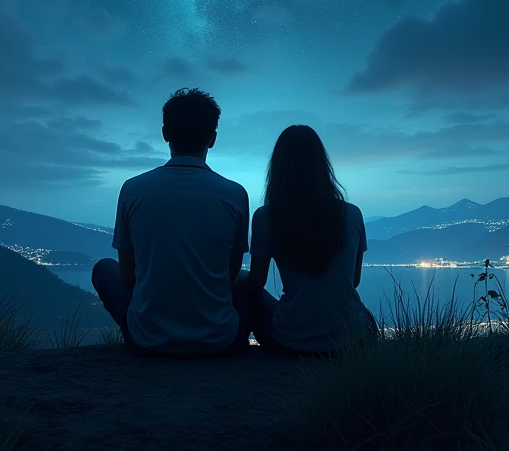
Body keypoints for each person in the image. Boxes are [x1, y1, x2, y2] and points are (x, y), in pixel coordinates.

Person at [92, 87, 251, 357]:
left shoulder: (133, 190)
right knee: (250, 285)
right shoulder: (235, 195)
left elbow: (128, 277)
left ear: (165, 134)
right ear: (212, 138)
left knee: (104, 268)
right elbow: (228, 275)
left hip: (146, 339)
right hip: (219, 340)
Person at [234, 125, 378, 355]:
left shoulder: (265, 217)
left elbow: (255, 283)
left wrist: (229, 276)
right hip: (352, 340)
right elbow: (354, 281)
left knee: (248, 296)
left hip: (288, 341)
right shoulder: (352, 214)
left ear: (278, 168)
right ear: (322, 166)